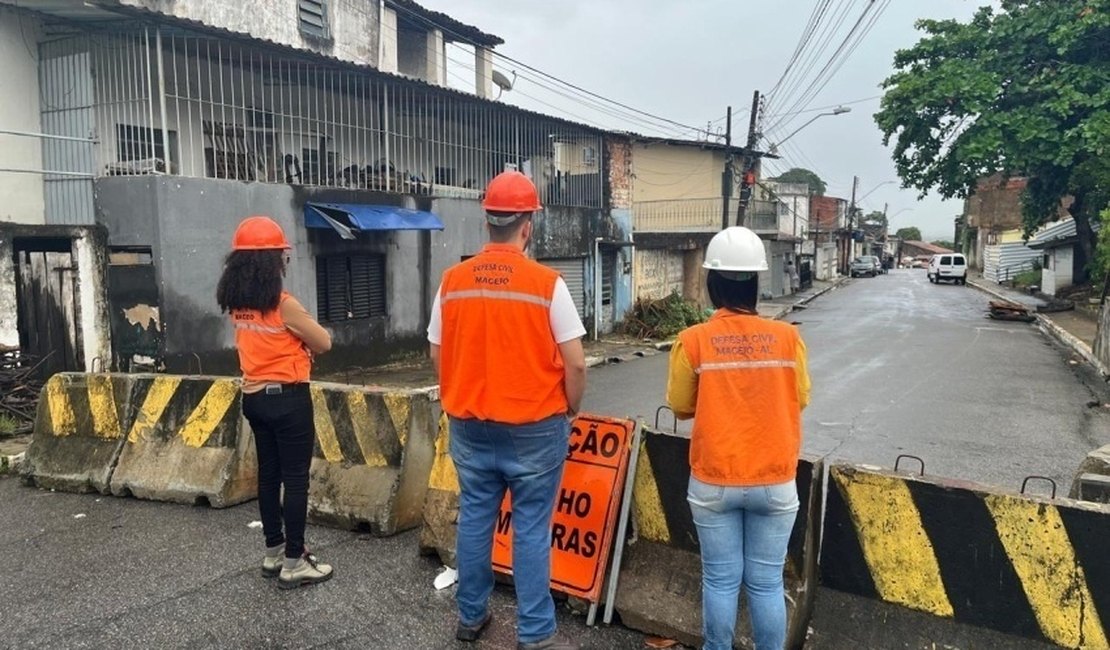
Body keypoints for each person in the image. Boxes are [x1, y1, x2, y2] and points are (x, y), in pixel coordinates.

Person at [428, 171, 587, 650]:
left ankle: (471, 617)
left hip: (469, 425)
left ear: (488, 222)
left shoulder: (452, 282)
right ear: (528, 225)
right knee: (532, 528)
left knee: (476, 519)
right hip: (535, 429)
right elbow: (575, 362)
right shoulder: (547, 284)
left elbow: (437, 352)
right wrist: (571, 408)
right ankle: (535, 632)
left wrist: (460, 391)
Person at [666, 227, 810, 650]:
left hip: (714, 480)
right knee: (766, 582)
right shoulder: (789, 338)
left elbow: (680, 405)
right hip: (774, 480)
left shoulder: (693, 341)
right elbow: (800, 397)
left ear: (712, 283)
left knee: (720, 579)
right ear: (755, 283)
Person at [216, 216, 334, 590]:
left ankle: (273, 552)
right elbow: (324, 342)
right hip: (288, 399)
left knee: (269, 476)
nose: (285, 261)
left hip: (254, 399)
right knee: (295, 480)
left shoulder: (237, 306)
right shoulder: (284, 305)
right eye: (283, 256)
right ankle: (295, 562)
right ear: (271, 262)